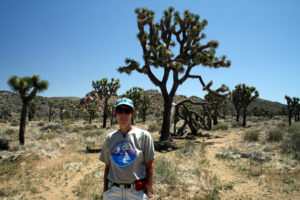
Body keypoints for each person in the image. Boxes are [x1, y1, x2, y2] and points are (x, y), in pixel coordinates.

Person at [100, 97, 156, 200]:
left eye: (127, 111)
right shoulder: (110, 138)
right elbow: (107, 167)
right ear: (115, 114)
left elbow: (150, 167)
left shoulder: (144, 136)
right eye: (120, 110)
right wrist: (105, 192)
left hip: (137, 192)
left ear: (132, 114)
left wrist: (148, 192)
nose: (123, 114)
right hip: (114, 192)